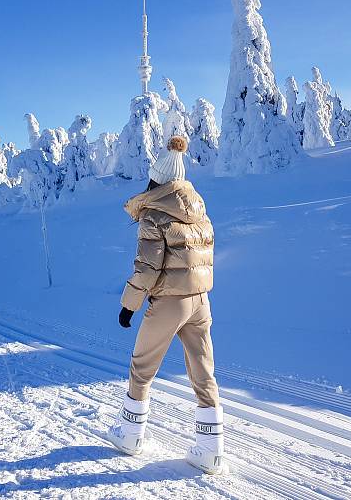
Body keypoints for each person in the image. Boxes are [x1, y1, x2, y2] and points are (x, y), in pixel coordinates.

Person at [107, 135, 224, 474]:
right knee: (203, 373)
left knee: (141, 367)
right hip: (200, 302)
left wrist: (129, 305)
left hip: (169, 303)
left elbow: (147, 268)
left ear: (156, 179)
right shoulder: (198, 211)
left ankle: (130, 435)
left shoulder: (154, 216)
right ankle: (210, 451)